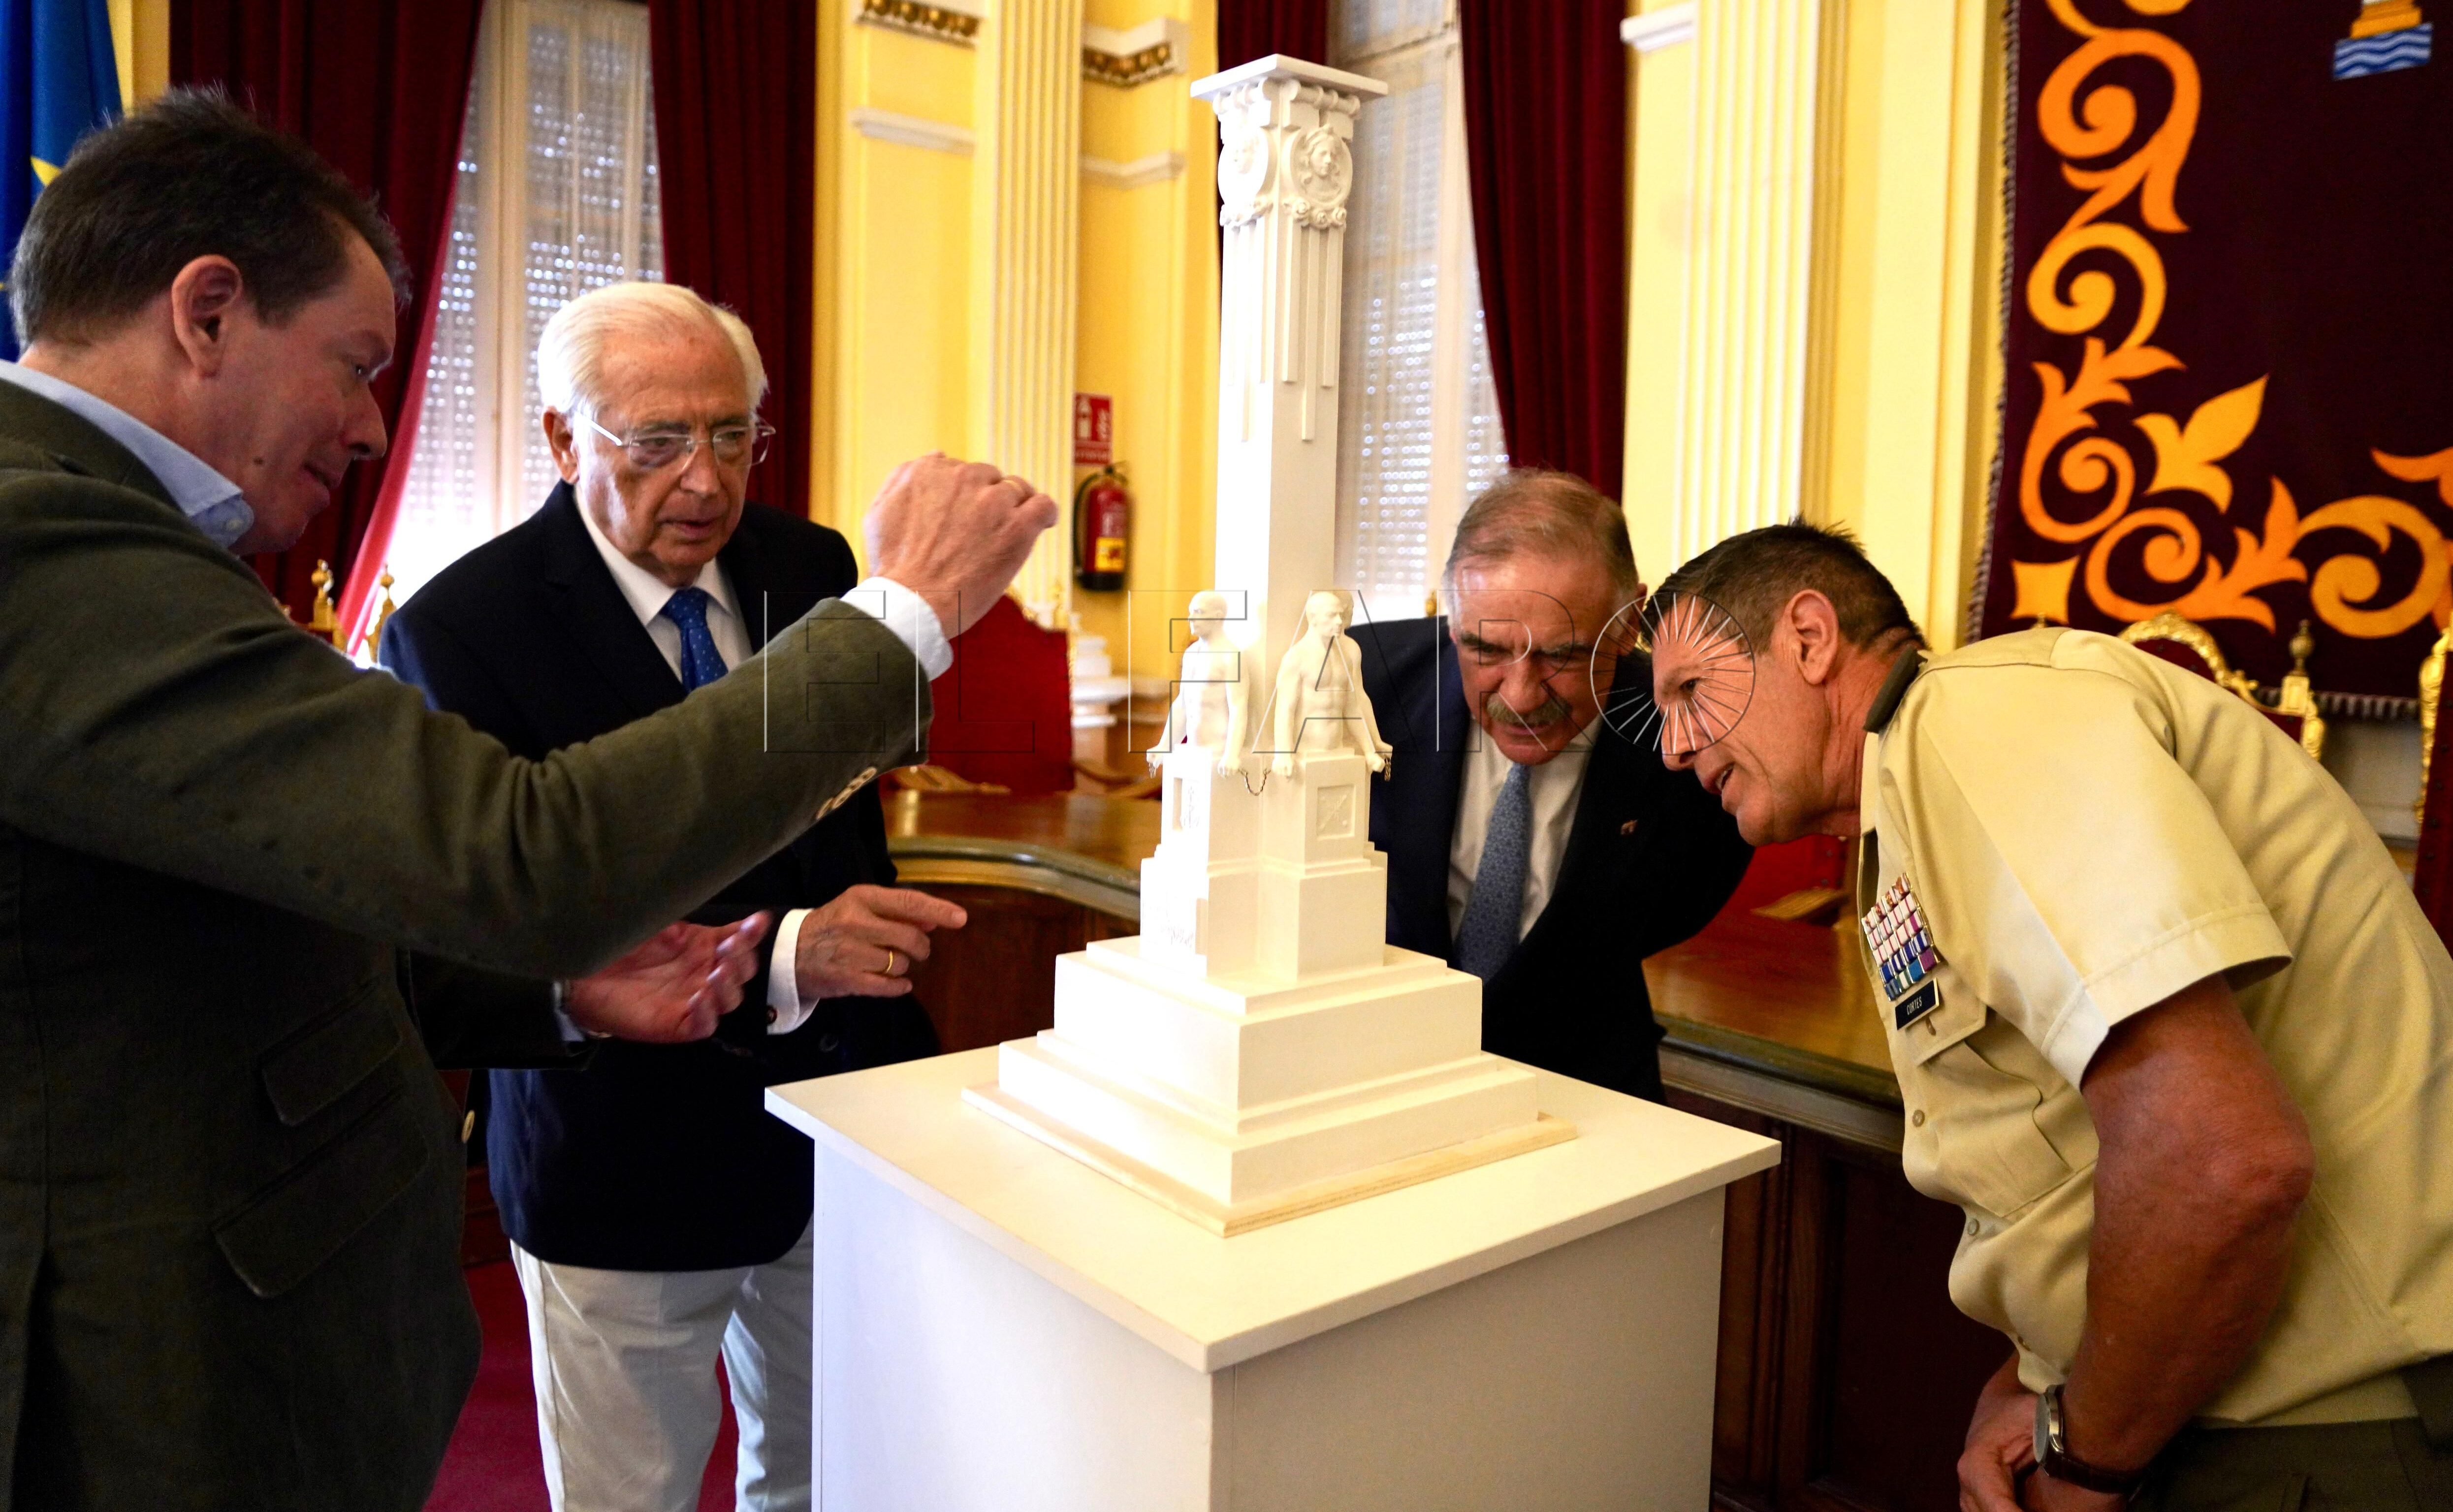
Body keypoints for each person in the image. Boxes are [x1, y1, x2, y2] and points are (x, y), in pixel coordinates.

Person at [0, 92, 1052, 1511]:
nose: (374, 425)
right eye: (357, 362)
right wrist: (903, 617)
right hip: (188, 1358)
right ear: (207, 312)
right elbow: (514, 853)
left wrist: (556, 994)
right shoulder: (52, 537)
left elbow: (277, 914)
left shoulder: (128, 542)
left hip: (805, 1141)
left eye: (733, 433)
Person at [1650, 522, 2453, 1509]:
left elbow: (2219, 1161)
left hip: (2314, 1433)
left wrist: (2086, 1456)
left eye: (1689, 692)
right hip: (2213, 1400)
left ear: (1809, 639)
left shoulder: (1971, 725)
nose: (1676, 747)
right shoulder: (1914, 784)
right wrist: (2036, 1381)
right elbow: (2070, 1161)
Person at [381, 281, 963, 1512]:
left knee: (817, 1469)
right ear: (562, 438)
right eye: (654, 442)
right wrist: (793, 949)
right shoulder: (459, 629)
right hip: (618, 1155)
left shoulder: (809, 565)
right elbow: (521, 918)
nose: (703, 481)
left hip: (827, 1133)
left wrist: (859, 927)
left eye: (732, 434)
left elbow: (838, 820)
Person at [1349, 471, 1751, 1102]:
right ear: (1451, 618)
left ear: (1628, 623)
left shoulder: (1692, 738)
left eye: (1562, 656)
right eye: (1485, 649)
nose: (1520, 694)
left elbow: (1684, 901)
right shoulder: (1360, 685)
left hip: (1589, 1092)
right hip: (1376, 1079)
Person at [1266, 589, 1390, 777]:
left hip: (1338, 751)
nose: (1340, 621)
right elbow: (1285, 709)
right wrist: (1283, 753)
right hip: (1307, 752)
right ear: (1313, 618)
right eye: (1332, 616)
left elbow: (1352, 707)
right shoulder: (1296, 658)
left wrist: (1369, 751)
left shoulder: (1344, 657)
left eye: (1340, 615)